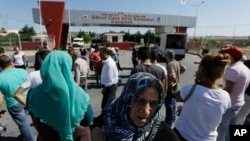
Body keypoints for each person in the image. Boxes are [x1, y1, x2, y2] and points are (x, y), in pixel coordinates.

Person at [26, 51, 93, 141]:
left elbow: (33, 115)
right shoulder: (79, 94)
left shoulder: (32, 94)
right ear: (68, 66)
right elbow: (89, 119)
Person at [92, 72, 180, 141]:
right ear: (127, 99)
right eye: (140, 101)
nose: (146, 111)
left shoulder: (164, 135)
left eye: (153, 104)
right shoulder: (105, 120)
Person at [174, 53, 231, 141]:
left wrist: (196, 84)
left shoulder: (190, 88)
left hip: (182, 135)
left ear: (201, 69)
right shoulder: (225, 96)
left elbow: (177, 97)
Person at [217, 46, 250, 141]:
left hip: (229, 105)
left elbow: (228, 91)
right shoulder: (244, 68)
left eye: (225, 54)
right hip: (238, 103)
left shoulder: (233, 70)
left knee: (221, 130)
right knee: (232, 130)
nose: (223, 56)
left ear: (231, 56)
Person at [0, 54, 34, 141]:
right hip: (27, 99)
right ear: (11, 62)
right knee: (24, 121)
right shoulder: (22, 71)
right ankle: (23, 136)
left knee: (23, 124)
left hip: (13, 103)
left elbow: (0, 98)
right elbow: (30, 84)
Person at [165, 50, 186, 126]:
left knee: (169, 103)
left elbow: (173, 76)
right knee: (173, 103)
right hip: (176, 87)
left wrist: (169, 84)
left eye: (166, 55)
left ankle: (169, 121)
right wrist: (178, 75)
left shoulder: (170, 65)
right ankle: (172, 118)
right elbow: (184, 68)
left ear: (168, 56)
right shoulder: (177, 62)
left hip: (171, 88)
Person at [99, 47, 119, 113]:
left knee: (106, 106)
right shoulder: (107, 62)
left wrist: (105, 88)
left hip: (110, 86)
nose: (99, 55)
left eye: (100, 54)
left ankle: (105, 120)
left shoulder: (109, 64)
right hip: (109, 86)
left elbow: (110, 80)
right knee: (108, 104)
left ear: (106, 53)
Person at [235, 59, 250, 125]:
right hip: (246, 94)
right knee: (242, 117)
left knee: (238, 118)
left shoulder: (247, 63)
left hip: (245, 93)